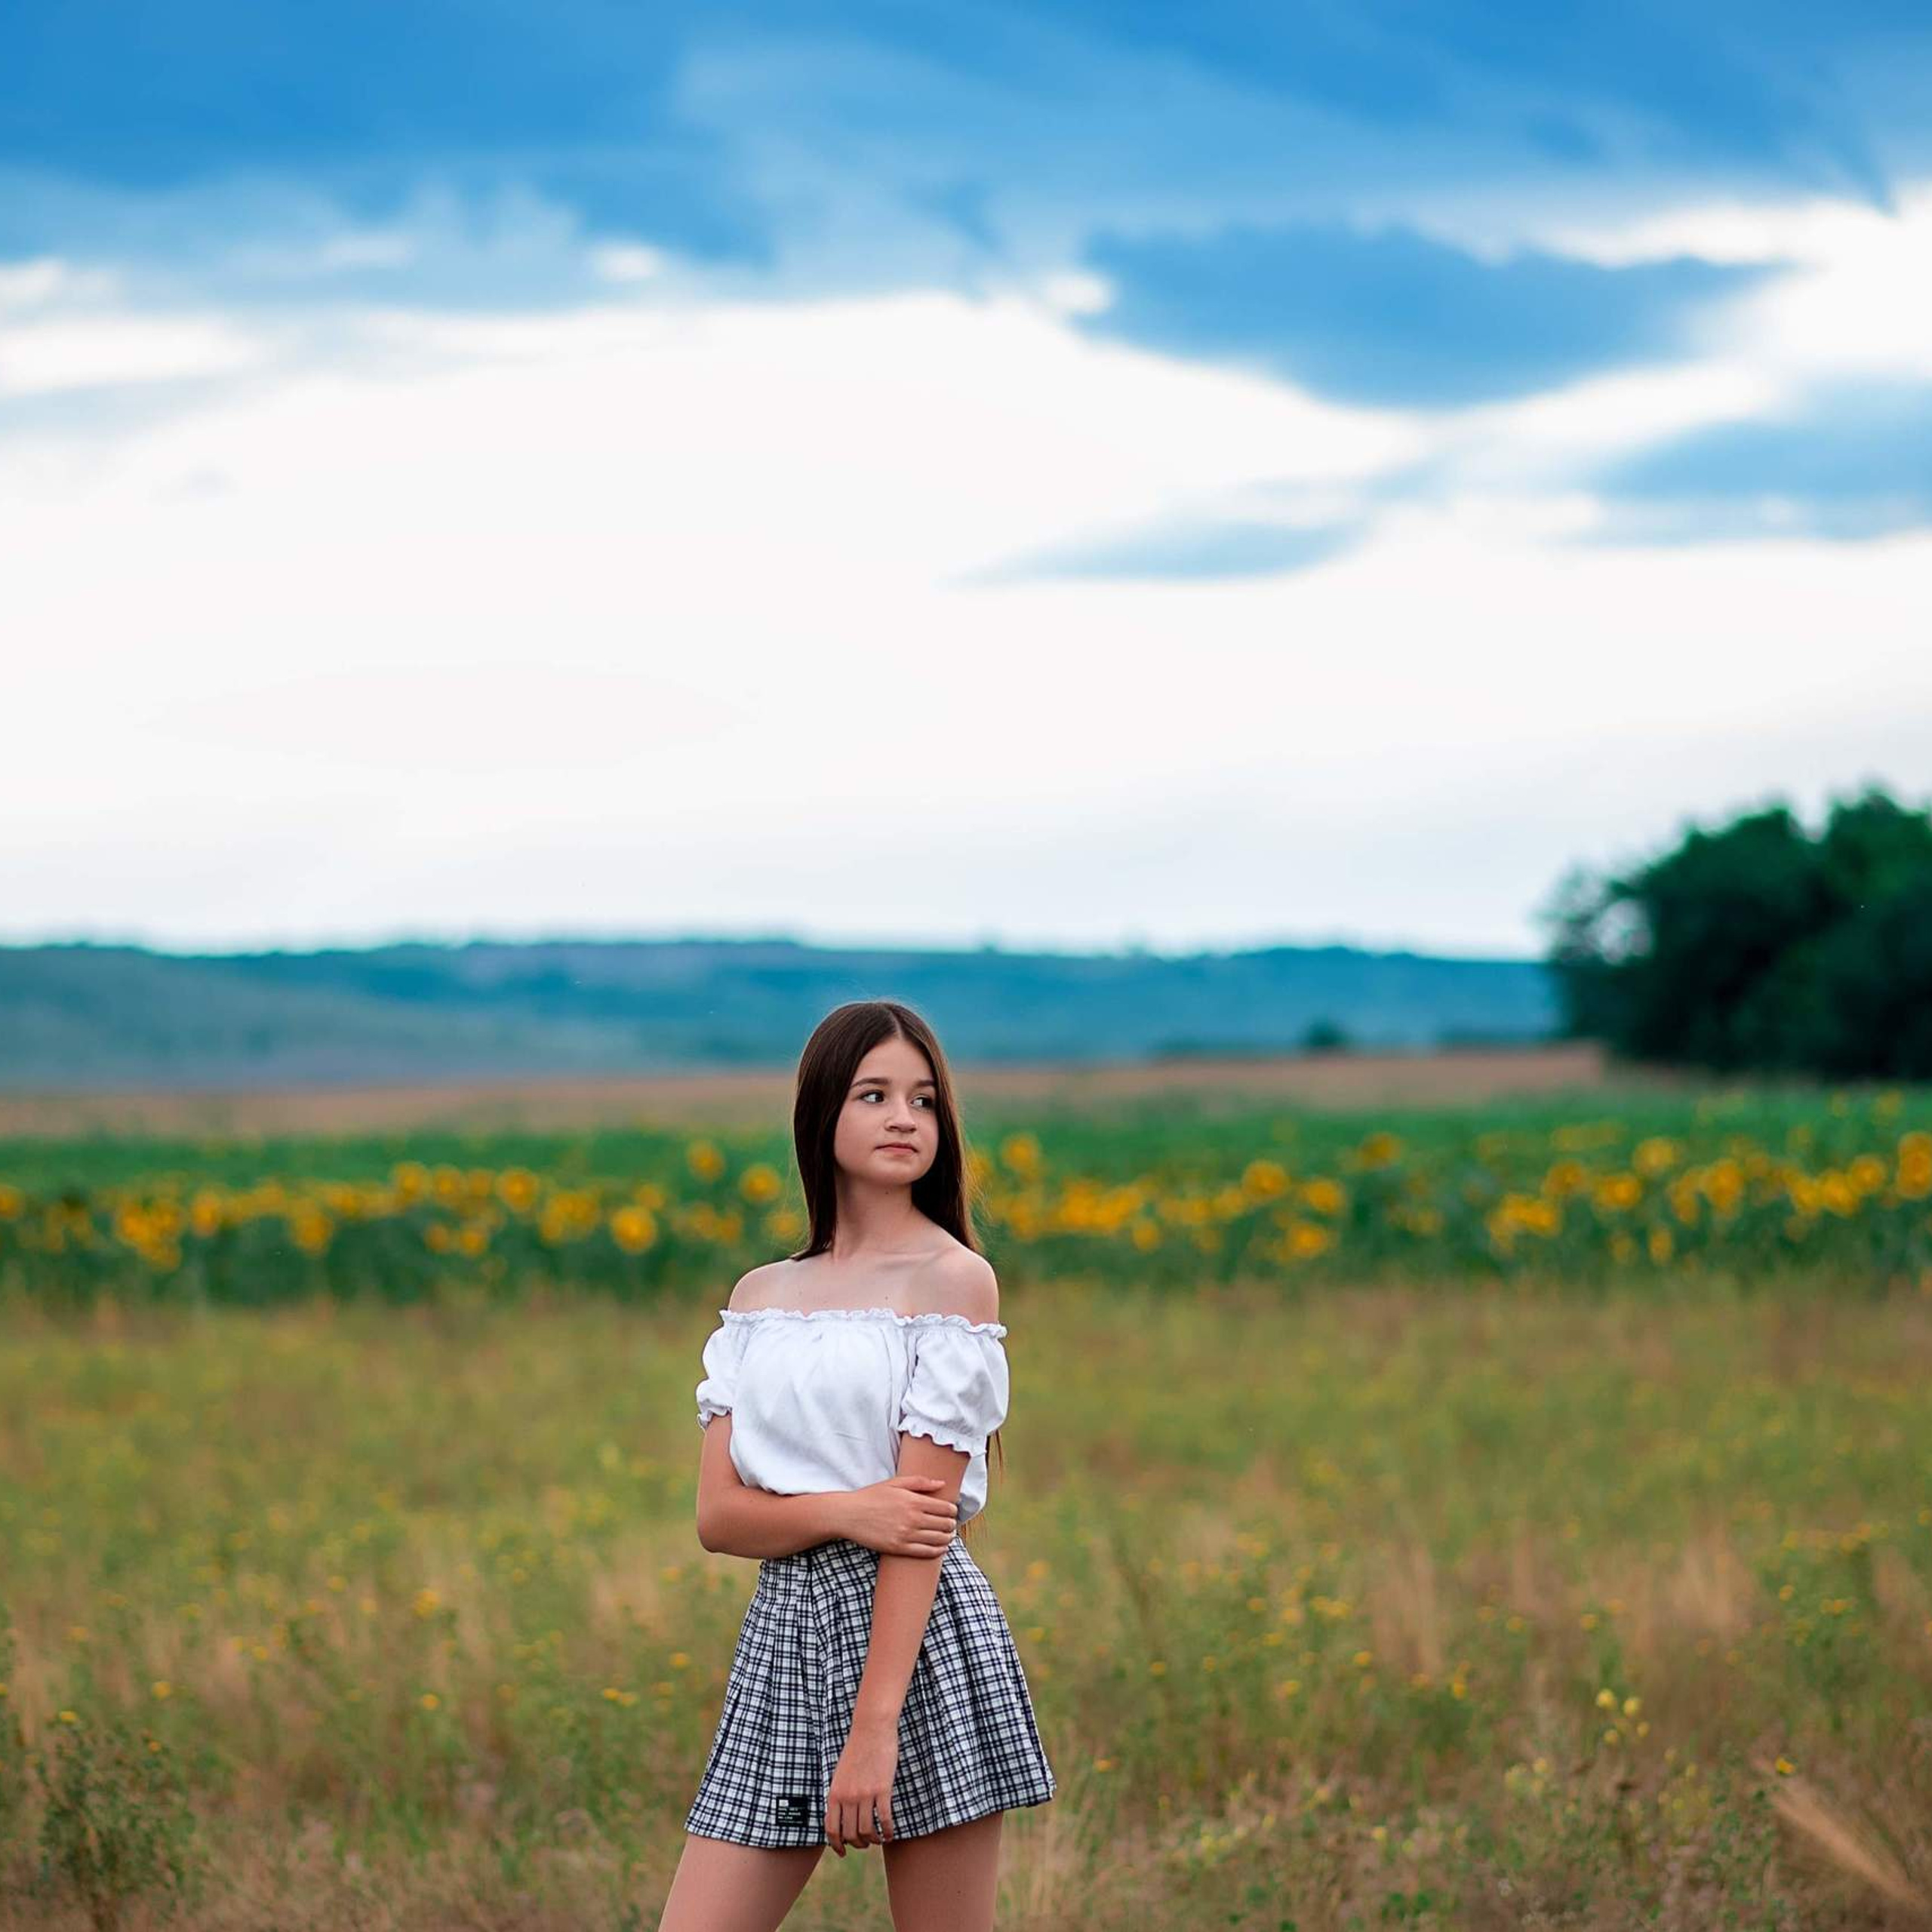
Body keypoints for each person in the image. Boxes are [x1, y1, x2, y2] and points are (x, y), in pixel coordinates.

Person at [655, 998, 1056, 1932]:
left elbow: (917, 1527)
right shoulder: (760, 1296)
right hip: (785, 1637)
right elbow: (719, 1518)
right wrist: (847, 1510)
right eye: (874, 1095)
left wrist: (876, 1729)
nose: (903, 1118)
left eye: (923, 1100)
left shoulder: (952, 1280)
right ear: (822, 1111)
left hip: (919, 1642)